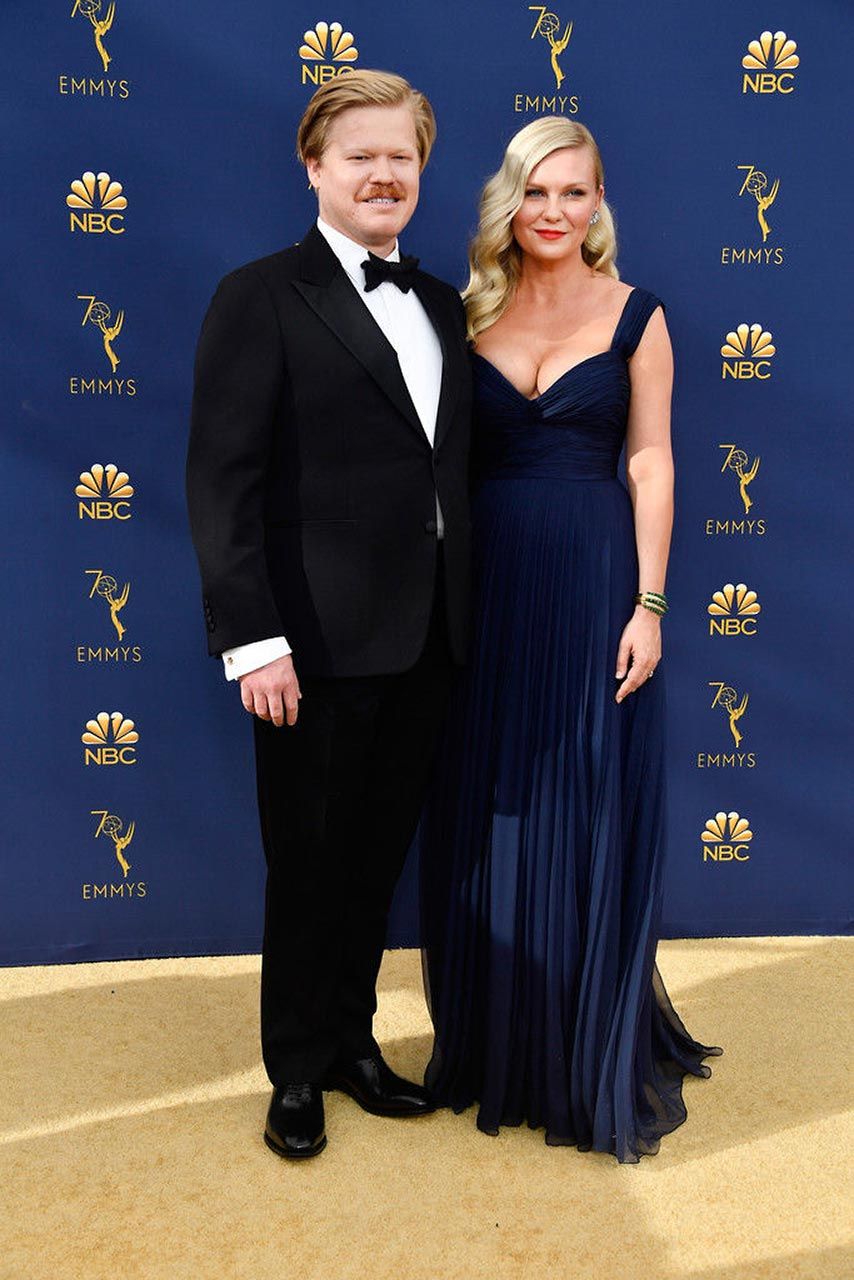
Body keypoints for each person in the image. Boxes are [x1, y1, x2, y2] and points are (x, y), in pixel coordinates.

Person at [419, 117, 721, 1163]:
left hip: (595, 584)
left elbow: (650, 462)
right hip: (487, 590)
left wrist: (650, 604)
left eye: (573, 192)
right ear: (510, 202)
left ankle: (582, 1050)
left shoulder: (638, 315)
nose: (553, 211)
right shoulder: (465, 315)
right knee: (488, 802)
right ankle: (492, 1044)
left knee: (583, 804)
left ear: (598, 203)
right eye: (535, 192)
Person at [187, 70, 471, 1159]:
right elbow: (223, 482)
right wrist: (253, 641)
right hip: (309, 644)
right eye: (361, 156)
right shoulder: (258, 296)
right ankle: (296, 1071)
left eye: (402, 156)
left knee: (374, 861)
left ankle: (353, 1045)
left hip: (429, 639)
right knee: (306, 865)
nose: (383, 174)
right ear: (314, 167)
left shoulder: (442, 304)